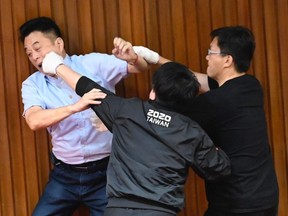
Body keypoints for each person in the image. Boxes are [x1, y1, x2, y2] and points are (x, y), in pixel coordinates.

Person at [41, 51, 231, 216]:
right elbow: (220, 169)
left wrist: (58, 66)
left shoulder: (126, 111)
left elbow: (89, 89)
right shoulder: (191, 132)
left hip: (117, 210)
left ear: (153, 93)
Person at [134, 26, 279, 216]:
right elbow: (191, 78)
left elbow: (170, 118)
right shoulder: (250, 86)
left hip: (236, 202)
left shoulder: (212, 103)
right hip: (265, 195)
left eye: (211, 52)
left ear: (227, 60)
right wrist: (154, 58)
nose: (207, 57)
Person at [19, 16, 149, 216]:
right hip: (65, 175)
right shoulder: (33, 83)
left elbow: (139, 68)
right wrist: (75, 107)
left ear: (59, 43)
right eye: (29, 54)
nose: (35, 57)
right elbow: (34, 121)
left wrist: (132, 58)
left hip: (106, 172)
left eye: (38, 49)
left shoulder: (92, 63)